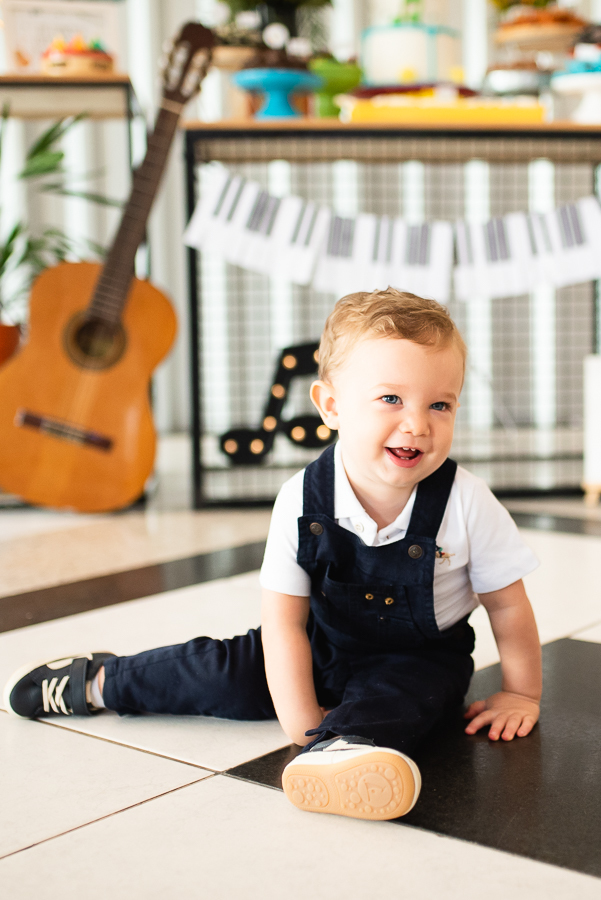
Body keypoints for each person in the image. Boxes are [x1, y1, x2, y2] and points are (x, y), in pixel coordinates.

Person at [4, 288, 542, 823]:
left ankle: (345, 751)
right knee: (216, 673)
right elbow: (283, 624)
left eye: (439, 405)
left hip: (418, 655)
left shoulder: (466, 501)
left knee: (409, 699)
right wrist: (299, 718)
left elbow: (507, 606)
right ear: (331, 406)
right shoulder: (301, 498)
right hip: (316, 644)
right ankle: (99, 682)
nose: (417, 424)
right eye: (391, 399)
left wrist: (521, 693)